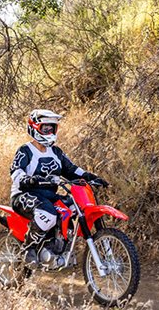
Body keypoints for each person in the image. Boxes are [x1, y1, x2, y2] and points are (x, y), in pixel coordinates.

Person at [10, 109, 108, 266]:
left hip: (48, 195)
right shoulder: (25, 151)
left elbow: (72, 170)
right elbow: (16, 173)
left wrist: (91, 177)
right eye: (45, 128)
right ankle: (28, 249)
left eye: (52, 128)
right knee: (47, 214)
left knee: (73, 207)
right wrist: (30, 180)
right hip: (24, 195)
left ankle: (55, 245)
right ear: (35, 127)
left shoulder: (56, 152)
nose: (49, 131)